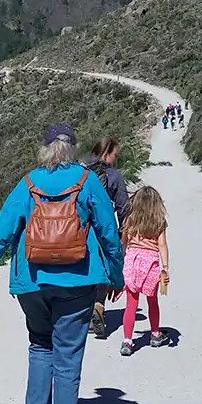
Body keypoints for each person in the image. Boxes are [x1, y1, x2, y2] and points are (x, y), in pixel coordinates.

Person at [0, 124, 124, 404]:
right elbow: (109, 233)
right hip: (78, 282)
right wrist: (116, 275)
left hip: (32, 284)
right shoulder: (87, 181)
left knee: (40, 344)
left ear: (44, 149)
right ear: (73, 149)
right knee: (67, 357)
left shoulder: (28, 183)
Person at [80, 137, 128, 339]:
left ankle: (82, 313)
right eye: (115, 154)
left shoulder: (80, 172)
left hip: (80, 229)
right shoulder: (113, 176)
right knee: (105, 267)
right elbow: (124, 207)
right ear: (106, 153)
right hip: (104, 228)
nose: (116, 158)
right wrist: (124, 234)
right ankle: (98, 307)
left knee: (84, 268)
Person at [118, 185, 170, 356]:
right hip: (150, 265)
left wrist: (121, 261)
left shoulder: (130, 220)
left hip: (132, 262)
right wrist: (165, 267)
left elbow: (124, 242)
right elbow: (162, 245)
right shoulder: (159, 221)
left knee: (131, 304)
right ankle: (155, 334)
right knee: (152, 301)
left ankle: (127, 341)